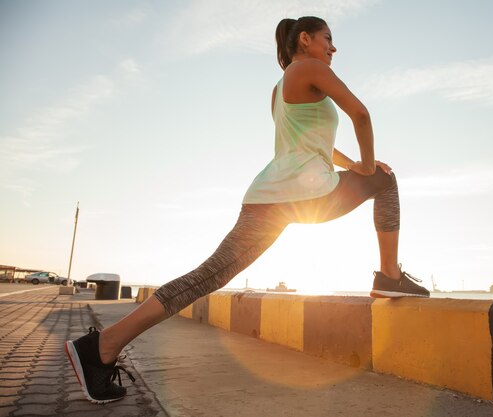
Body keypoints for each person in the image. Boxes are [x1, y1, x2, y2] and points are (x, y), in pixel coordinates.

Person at [65, 16, 430, 404]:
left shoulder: (279, 88)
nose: (333, 47)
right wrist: (370, 167)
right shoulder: (310, 68)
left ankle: (102, 347)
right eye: (328, 38)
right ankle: (389, 276)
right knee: (385, 182)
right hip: (307, 195)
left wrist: (353, 164)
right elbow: (362, 115)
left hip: (271, 199)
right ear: (304, 40)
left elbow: (312, 144)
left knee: (206, 278)